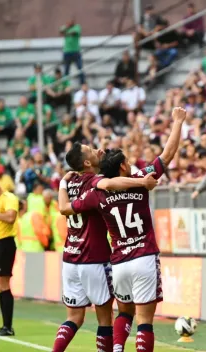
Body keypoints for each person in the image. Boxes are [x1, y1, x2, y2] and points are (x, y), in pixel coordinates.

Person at [58, 107, 186, 352]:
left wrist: (65, 182)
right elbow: (167, 155)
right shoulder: (139, 180)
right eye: (127, 161)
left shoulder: (96, 193)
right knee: (145, 321)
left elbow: (67, 208)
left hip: (119, 263)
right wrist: (178, 122)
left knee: (124, 312)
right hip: (144, 257)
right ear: (124, 168)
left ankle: (117, 349)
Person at [50, 143, 159, 352]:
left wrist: (63, 183)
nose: (96, 149)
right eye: (91, 150)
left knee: (73, 317)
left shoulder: (71, 180)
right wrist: (141, 182)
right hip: (93, 258)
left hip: (69, 258)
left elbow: (63, 208)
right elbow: (109, 184)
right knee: (105, 319)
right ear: (87, 162)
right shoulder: (95, 181)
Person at [0, 177, 19, 336]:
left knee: (3, 284)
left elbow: (10, 218)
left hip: (4, 243)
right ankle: (5, 326)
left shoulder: (8, 198)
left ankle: (8, 326)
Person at [60, 19, 85, 85]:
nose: (69, 23)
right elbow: (61, 32)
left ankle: (82, 83)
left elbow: (74, 32)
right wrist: (66, 28)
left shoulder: (77, 27)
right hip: (67, 52)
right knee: (66, 70)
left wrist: (66, 32)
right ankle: (65, 84)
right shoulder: (64, 27)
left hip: (76, 51)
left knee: (80, 68)